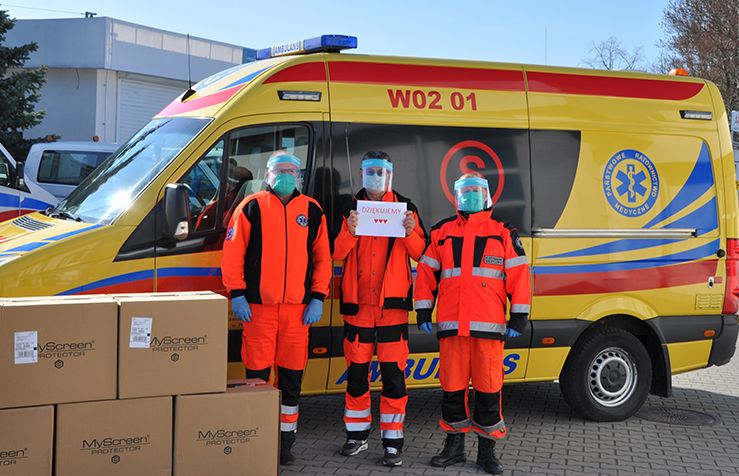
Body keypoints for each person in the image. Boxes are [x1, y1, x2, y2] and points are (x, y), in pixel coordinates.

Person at [413, 172, 531, 475]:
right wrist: (423, 311)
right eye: (464, 192)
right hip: (452, 325)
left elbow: (519, 276)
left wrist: (519, 316)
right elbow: (426, 274)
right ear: (456, 196)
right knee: (452, 389)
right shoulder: (442, 232)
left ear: (487, 195)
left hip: (488, 328)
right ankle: (454, 448)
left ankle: (486, 452)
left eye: (476, 191)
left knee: (489, 390)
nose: (470, 196)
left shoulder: (503, 232)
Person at [221, 153, 331, 466]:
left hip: (298, 313)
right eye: (280, 170)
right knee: (257, 381)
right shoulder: (251, 207)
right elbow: (232, 254)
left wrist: (318, 297)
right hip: (259, 311)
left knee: (291, 382)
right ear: (268, 174)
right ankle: (258, 442)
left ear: (299, 175)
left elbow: (322, 258)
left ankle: (285, 445)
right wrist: (237, 294)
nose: (286, 175)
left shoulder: (312, 210)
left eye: (291, 171)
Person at [333, 150, 427, 466]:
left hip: (393, 309)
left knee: (393, 379)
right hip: (358, 308)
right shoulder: (348, 208)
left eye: (381, 171)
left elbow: (421, 253)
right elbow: (335, 253)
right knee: (357, 377)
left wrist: (410, 232)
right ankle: (356, 437)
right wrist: (349, 231)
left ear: (390, 174)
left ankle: (393, 443)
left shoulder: (406, 208)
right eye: (370, 171)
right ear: (362, 173)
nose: (376, 176)